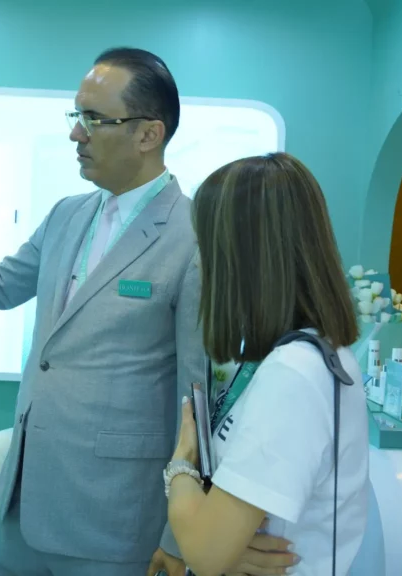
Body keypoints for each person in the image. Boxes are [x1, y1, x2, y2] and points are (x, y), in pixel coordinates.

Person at [0, 48, 298, 576]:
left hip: (115, 519)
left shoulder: (194, 236)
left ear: (147, 134)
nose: (77, 134)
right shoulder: (68, 214)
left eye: (94, 119)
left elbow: (195, 396)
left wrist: (177, 536)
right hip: (27, 499)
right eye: (77, 116)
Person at [163, 152, 370, 576]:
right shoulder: (300, 355)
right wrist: (224, 542)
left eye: (205, 246)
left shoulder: (294, 373)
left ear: (239, 254)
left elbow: (204, 554)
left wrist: (180, 465)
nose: (201, 264)